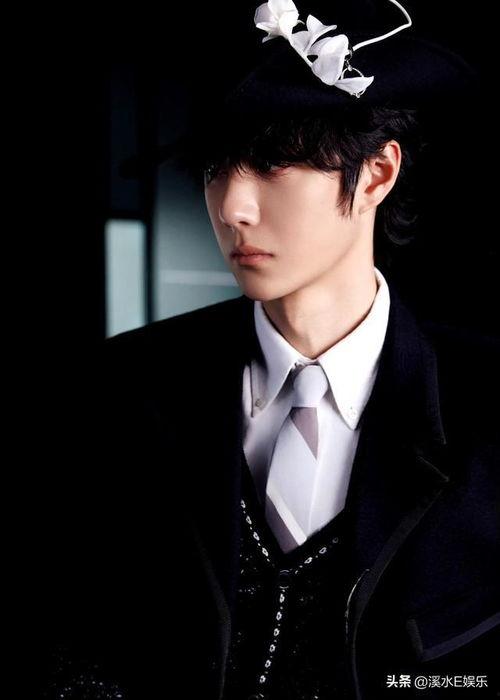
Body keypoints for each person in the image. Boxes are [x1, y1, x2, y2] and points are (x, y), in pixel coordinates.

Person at [40, 1, 499, 699]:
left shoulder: (488, 402)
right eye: (215, 168)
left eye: (275, 164)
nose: (233, 207)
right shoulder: (118, 387)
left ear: (377, 174)